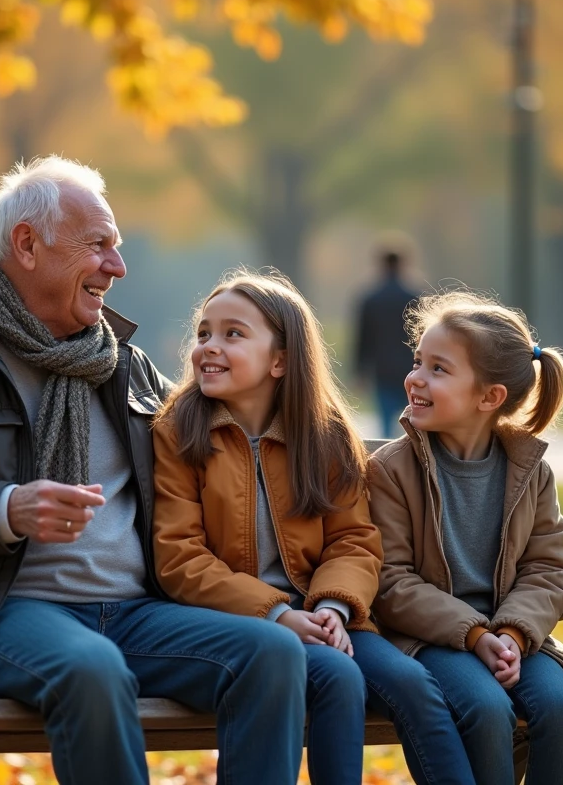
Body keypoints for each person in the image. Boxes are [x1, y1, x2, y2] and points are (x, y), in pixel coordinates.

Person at [0, 157, 310, 785]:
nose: (117, 266)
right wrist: (6, 509)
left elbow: (223, 453)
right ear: (27, 245)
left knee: (271, 652)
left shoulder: (124, 365)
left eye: (116, 246)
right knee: (92, 669)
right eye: (98, 245)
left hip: (136, 612)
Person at [152, 270, 476, 785]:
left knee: (413, 685)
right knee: (338, 677)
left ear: (280, 360)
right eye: (204, 333)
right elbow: (180, 557)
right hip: (235, 622)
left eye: (233, 334)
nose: (209, 346)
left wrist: (332, 606)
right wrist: (277, 613)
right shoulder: (179, 432)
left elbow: (354, 539)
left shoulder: (325, 436)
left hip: (325, 613)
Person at [367, 290, 563, 785]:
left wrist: (511, 634)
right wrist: (475, 635)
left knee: (562, 710)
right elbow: (389, 580)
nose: (415, 377)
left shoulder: (531, 472)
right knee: (486, 710)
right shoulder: (391, 471)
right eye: (418, 361)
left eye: (438, 369)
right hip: (430, 640)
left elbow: (548, 568)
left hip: (513, 637)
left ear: (489, 398)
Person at [355, 232, 422, 439]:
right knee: (414, 418)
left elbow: (363, 337)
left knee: (385, 425)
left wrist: (360, 370)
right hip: (410, 367)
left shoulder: (370, 299)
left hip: (382, 368)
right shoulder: (414, 297)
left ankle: (387, 455)